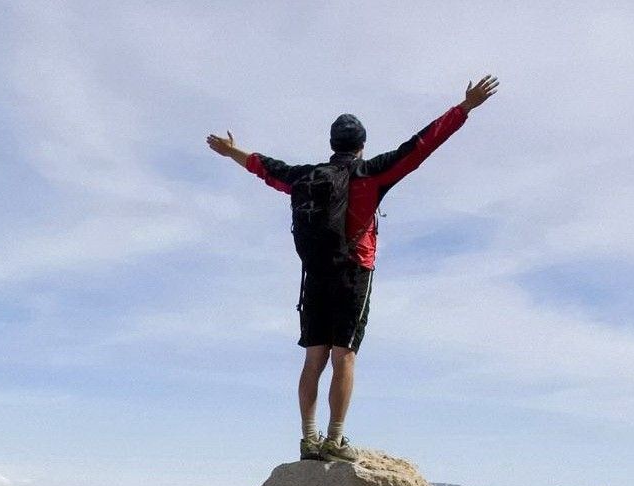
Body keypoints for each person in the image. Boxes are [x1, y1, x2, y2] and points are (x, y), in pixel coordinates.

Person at [206, 75, 499, 462]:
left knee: (314, 357)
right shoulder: (371, 173)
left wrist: (232, 152)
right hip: (353, 273)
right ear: (361, 146)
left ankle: (308, 439)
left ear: (332, 145)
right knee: (344, 355)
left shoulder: (304, 178)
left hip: (314, 274)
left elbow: (265, 167)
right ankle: (335, 439)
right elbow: (421, 145)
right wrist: (463, 109)